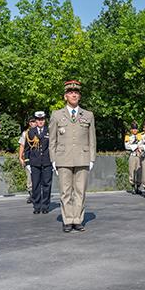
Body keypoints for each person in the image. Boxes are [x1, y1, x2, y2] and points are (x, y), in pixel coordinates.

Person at [49, 80, 96, 233]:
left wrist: (92, 158)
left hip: (82, 158)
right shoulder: (56, 115)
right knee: (65, 192)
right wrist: (53, 160)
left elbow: (92, 138)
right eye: (70, 92)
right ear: (65, 96)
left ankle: (78, 219)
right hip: (63, 159)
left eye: (76, 92)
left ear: (79, 96)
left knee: (80, 191)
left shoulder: (88, 115)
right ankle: (67, 220)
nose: (74, 94)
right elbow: (52, 140)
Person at [24, 111, 53, 214]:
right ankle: (36, 206)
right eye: (38, 120)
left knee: (46, 185)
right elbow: (26, 148)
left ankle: (45, 206)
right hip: (34, 162)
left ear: (44, 120)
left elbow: (54, 147)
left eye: (42, 120)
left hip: (47, 162)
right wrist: (27, 163)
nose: (40, 121)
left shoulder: (49, 131)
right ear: (35, 121)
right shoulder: (30, 132)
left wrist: (54, 161)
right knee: (35, 185)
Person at [19, 116, 37, 203]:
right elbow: (22, 145)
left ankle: (38, 195)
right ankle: (32, 195)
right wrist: (20, 157)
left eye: (34, 121)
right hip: (28, 158)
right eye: (31, 122)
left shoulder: (41, 132)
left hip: (39, 158)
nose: (32, 123)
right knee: (29, 178)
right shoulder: (25, 133)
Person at [124, 122, 142, 195]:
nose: (135, 130)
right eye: (133, 129)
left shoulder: (140, 136)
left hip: (139, 155)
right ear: (131, 130)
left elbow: (141, 144)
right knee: (131, 171)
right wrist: (136, 146)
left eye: (136, 129)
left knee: (139, 172)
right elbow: (127, 146)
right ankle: (132, 187)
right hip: (132, 155)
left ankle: (138, 187)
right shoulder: (128, 137)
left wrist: (137, 146)